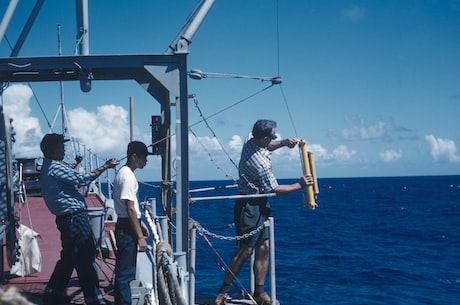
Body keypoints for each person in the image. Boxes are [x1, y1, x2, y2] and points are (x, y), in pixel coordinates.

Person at [215, 119, 314, 305]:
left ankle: (259, 292)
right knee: (245, 250)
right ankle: (223, 291)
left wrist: (284, 143)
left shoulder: (249, 139)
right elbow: (275, 189)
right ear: (264, 137)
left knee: (264, 246)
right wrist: (299, 184)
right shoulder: (260, 165)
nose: (272, 140)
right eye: (271, 138)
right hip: (249, 205)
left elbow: (268, 146)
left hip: (260, 203)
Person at [39, 133, 119, 305]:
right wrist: (106, 166)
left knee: (68, 258)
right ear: (50, 150)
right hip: (75, 219)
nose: (64, 149)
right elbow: (82, 179)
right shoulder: (55, 167)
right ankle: (94, 299)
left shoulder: (49, 167)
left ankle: (53, 293)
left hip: (66, 219)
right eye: (61, 146)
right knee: (85, 256)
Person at [113, 141, 150, 305]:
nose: (145, 161)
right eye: (144, 157)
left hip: (125, 223)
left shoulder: (123, 173)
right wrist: (140, 237)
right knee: (126, 274)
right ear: (134, 156)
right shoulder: (127, 176)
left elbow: (129, 208)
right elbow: (129, 209)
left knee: (124, 272)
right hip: (127, 228)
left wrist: (140, 223)